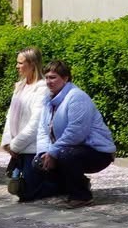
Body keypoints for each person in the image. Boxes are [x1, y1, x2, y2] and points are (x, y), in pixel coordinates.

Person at [15, 60, 116, 204]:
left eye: (53, 77)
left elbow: (76, 132)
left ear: (66, 78)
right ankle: (69, 186)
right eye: (47, 78)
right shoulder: (48, 100)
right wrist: (44, 152)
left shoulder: (77, 97)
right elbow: (43, 131)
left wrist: (53, 152)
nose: (49, 81)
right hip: (67, 149)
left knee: (65, 155)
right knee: (38, 163)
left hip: (97, 151)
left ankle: (81, 195)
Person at [0, 47, 50, 186]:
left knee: (28, 190)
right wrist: (7, 143)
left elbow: (35, 123)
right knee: (19, 187)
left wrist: (15, 146)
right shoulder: (20, 87)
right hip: (18, 148)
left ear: (32, 64)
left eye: (21, 63)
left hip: (31, 148)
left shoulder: (41, 89)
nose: (17, 66)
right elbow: (10, 117)